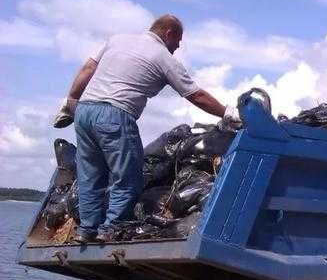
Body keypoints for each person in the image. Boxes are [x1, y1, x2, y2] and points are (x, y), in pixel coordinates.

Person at [55, 14, 241, 243]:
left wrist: (71, 100)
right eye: (178, 41)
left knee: (91, 176)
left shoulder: (117, 40)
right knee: (130, 176)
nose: (177, 47)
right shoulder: (163, 57)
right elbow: (196, 95)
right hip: (115, 114)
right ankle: (110, 228)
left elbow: (88, 68)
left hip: (85, 111)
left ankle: (87, 230)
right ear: (168, 33)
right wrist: (226, 112)